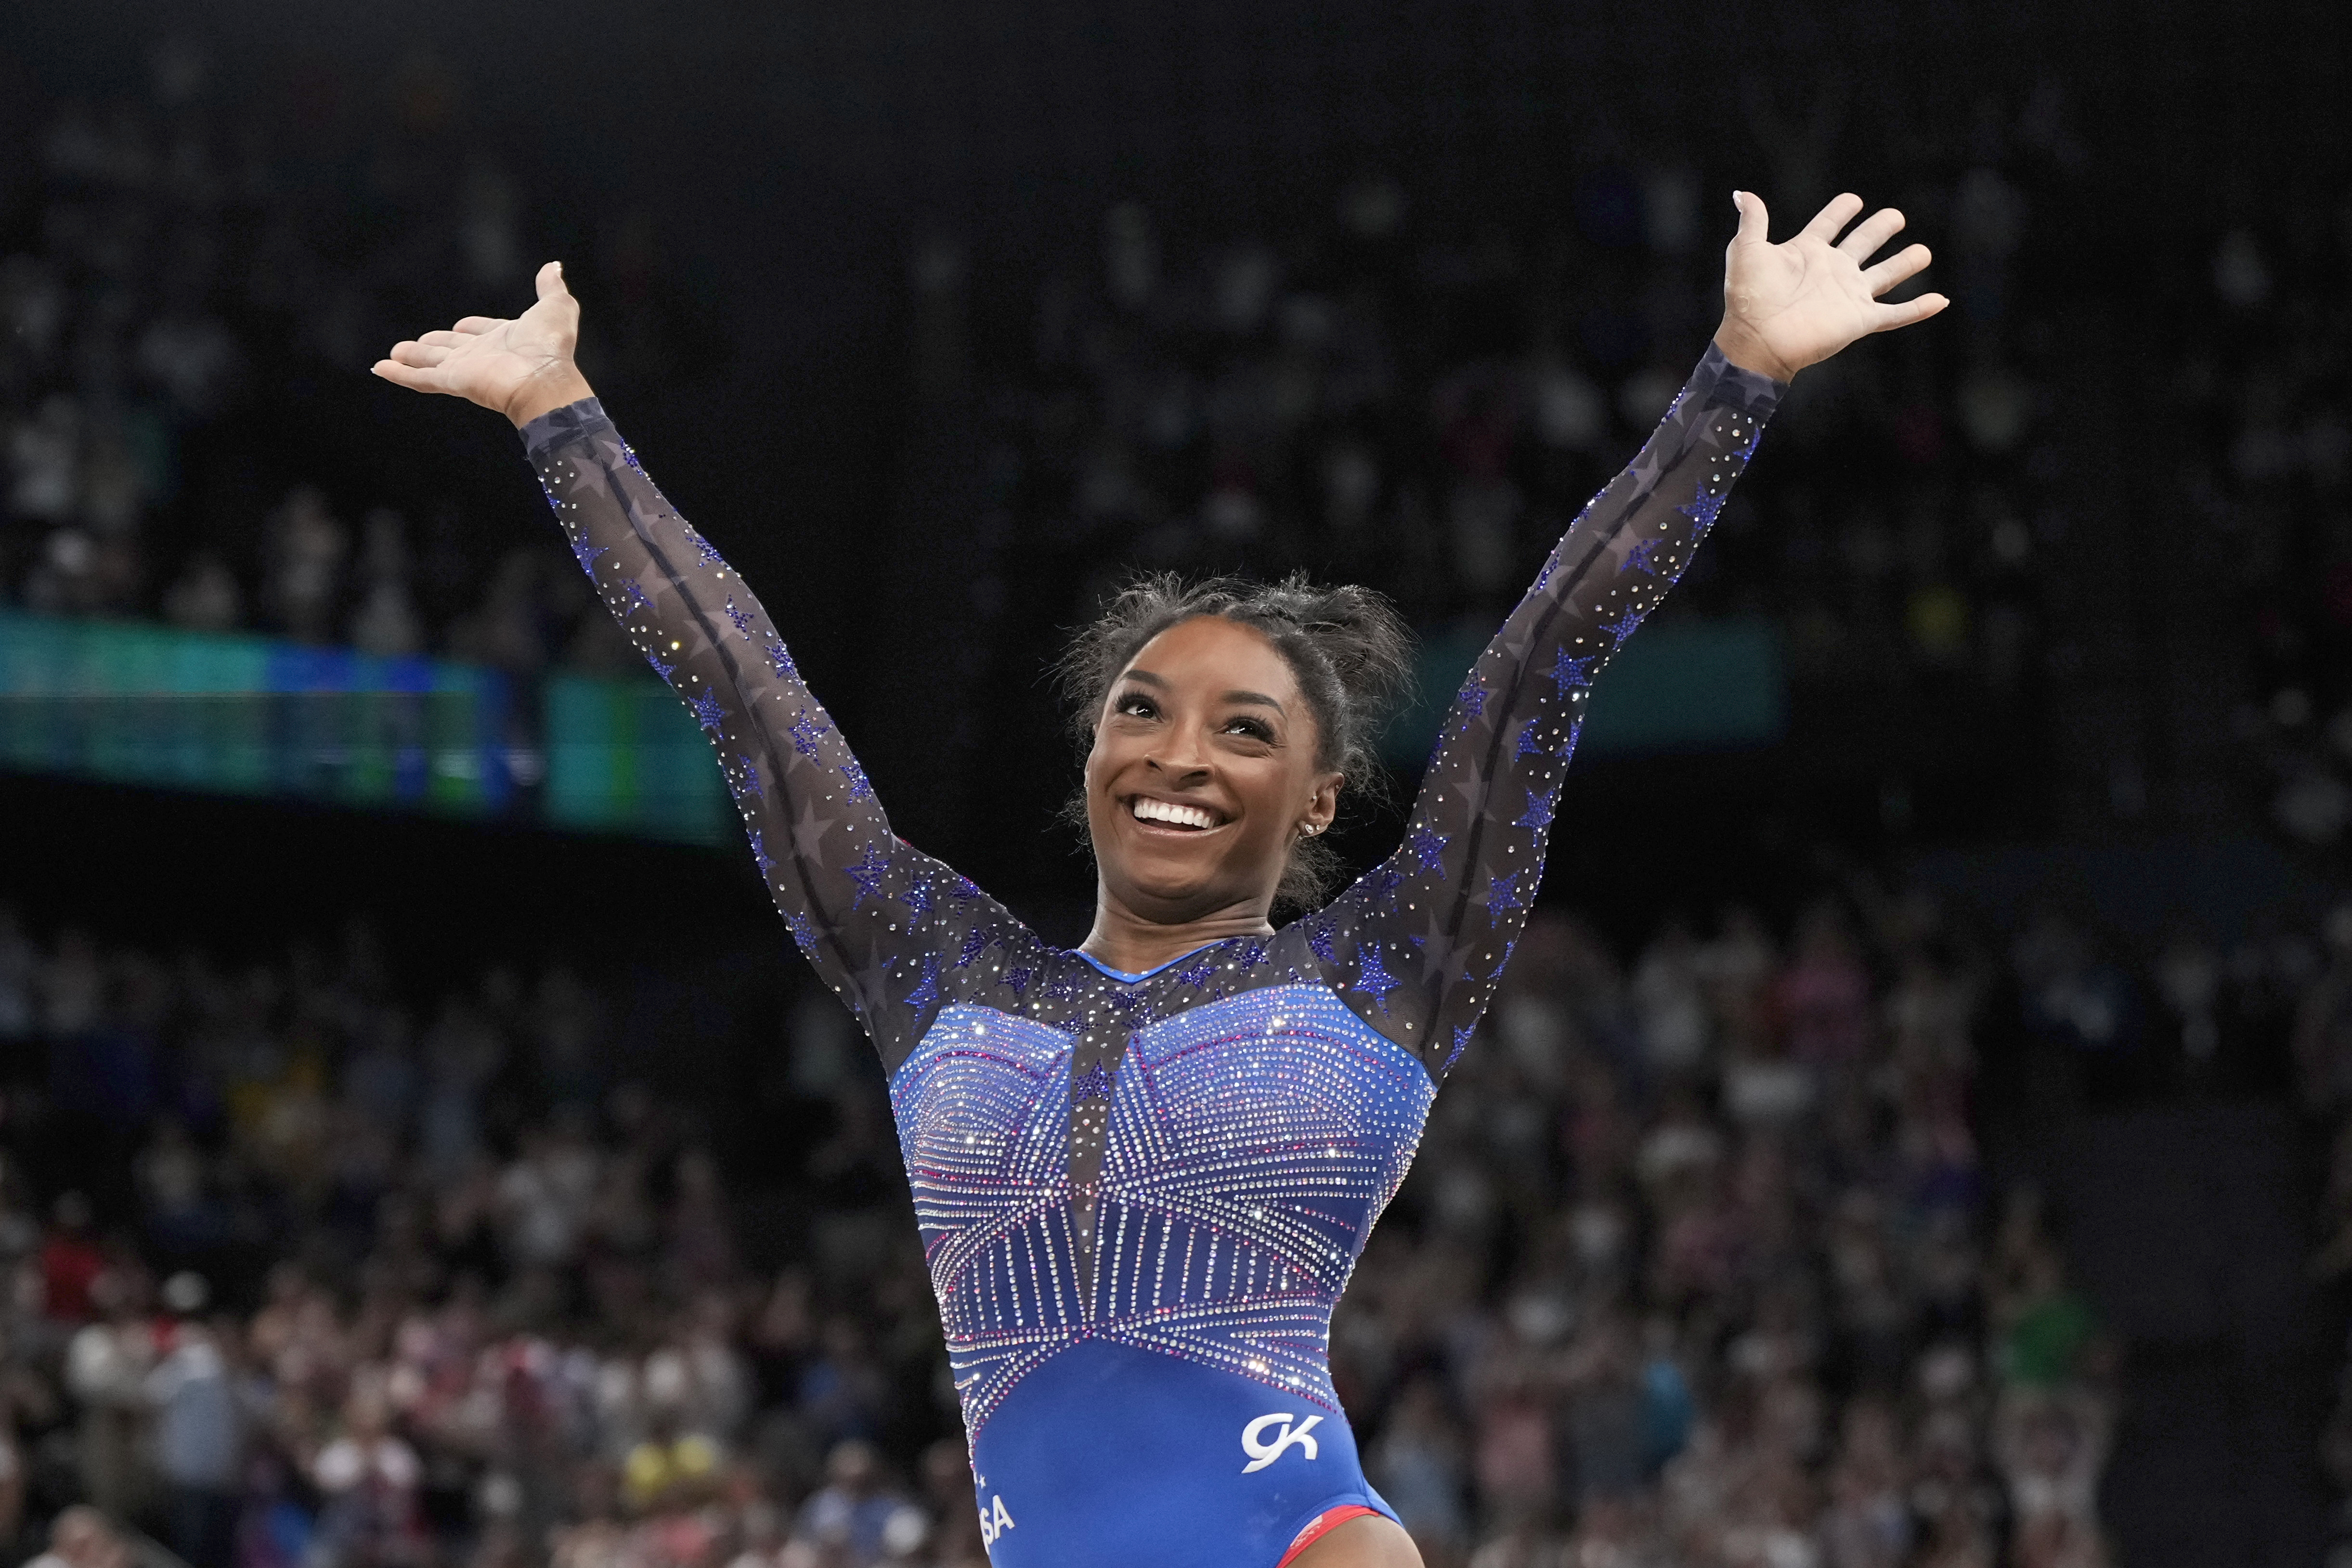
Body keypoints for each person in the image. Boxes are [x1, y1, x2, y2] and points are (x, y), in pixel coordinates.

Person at [376, 189, 1943, 1568]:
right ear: (1089, 759)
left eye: (1243, 730)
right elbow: (745, 695)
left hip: (1299, 1544)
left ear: (1318, 792)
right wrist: (559, 413)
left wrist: (1736, 382)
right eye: (1142, 709)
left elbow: (1546, 664)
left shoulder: (1384, 968)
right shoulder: (935, 965)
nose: (1178, 754)